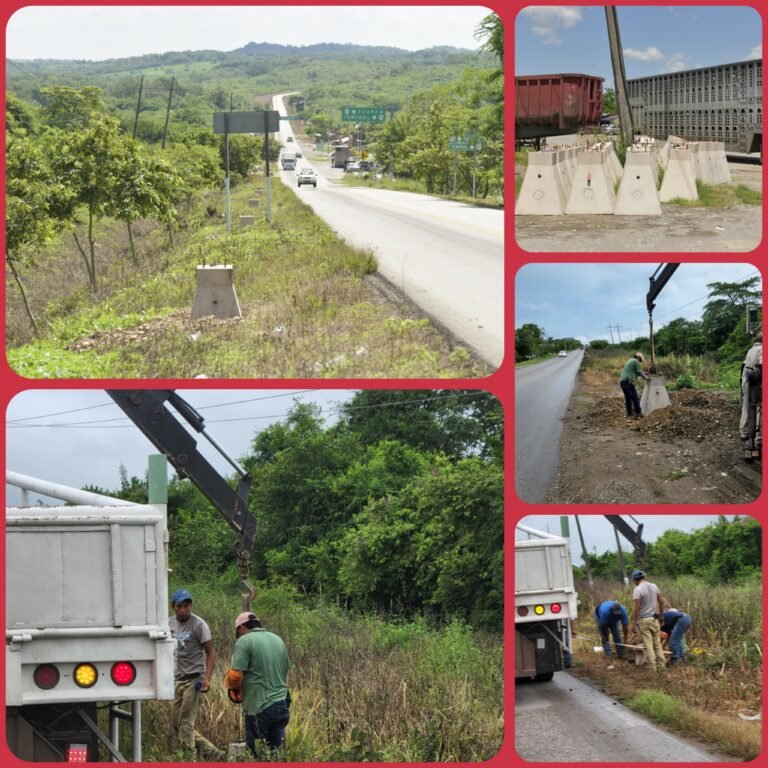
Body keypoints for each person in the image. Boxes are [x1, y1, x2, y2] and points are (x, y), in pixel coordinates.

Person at [167, 589, 223, 761]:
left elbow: (210, 652)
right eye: (179, 606)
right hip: (177, 678)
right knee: (177, 723)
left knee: (185, 721)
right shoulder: (168, 624)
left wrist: (206, 678)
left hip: (195, 678)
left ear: (190, 606)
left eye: (186, 606)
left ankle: (188, 758)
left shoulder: (199, 624)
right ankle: (214, 753)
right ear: (173, 607)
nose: (183, 610)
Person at [225, 612, 291, 755]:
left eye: (239, 632)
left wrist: (235, 689)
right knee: (276, 754)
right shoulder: (277, 639)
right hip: (281, 705)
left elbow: (236, 676)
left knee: (256, 755)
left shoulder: (244, 641)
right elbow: (286, 669)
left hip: (259, 708)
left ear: (241, 627)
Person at [630, 570, 665, 672]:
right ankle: (662, 668)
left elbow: (637, 607)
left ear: (634, 579)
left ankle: (652, 668)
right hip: (654, 619)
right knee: (657, 645)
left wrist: (634, 623)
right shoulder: (654, 586)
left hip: (644, 620)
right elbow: (661, 602)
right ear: (643, 577)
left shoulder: (638, 589)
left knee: (648, 645)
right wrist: (661, 616)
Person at [739, 332, 762, 452]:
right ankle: (756, 436)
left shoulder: (751, 349)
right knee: (757, 409)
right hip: (755, 381)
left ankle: (743, 432)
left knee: (746, 406)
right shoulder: (762, 349)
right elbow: (761, 366)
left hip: (746, 379)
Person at [620, 352, 651, 418]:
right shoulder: (636, 361)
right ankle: (638, 413)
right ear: (638, 357)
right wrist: (646, 378)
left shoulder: (630, 360)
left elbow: (637, 371)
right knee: (635, 398)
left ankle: (629, 413)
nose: (641, 361)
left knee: (628, 398)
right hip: (629, 381)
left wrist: (645, 373)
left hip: (623, 381)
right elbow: (639, 372)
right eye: (640, 359)